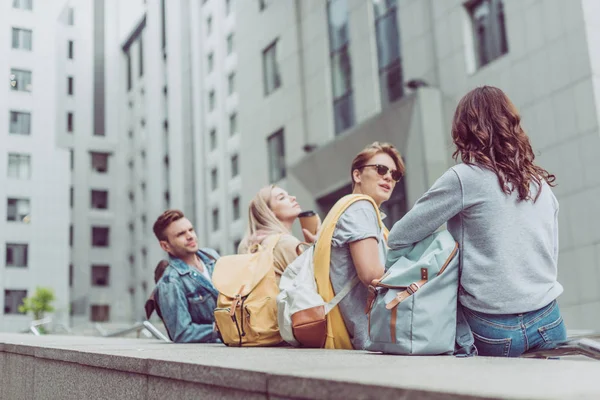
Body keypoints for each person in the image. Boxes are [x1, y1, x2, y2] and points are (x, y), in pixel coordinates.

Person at [387, 86, 566, 357]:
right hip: (549, 318)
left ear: (463, 130)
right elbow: (549, 253)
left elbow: (399, 235)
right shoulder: (540, 184)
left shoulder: (463, 178)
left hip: (491, 324)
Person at [309, 142, 404, 350]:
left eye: (394, 175)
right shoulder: (361, 207)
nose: (388, 177)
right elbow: (372, 275)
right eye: (380, 169)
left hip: (359, 337)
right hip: (371, 338)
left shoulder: (360, 213)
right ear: (357, 175)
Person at [151, 209, 221, 343]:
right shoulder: (170, 282)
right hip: (211, 353)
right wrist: (222, 329)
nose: (190, 236)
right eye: (181, 234)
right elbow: (182, 333)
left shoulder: (211, 256)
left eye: (191, 230)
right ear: (165, 246)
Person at [238, 185, 313, 284]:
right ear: (269, 212)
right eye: (282, 198)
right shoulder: (285, 243)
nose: (293, 198)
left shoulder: (249, 245)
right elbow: (310, 285)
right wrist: (318, 244)